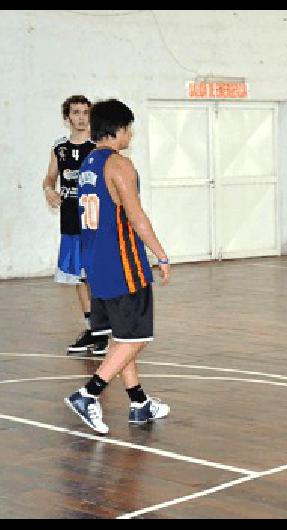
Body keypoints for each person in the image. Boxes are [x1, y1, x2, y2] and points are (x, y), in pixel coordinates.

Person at [64, 99, 172, 435]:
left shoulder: (87, 164)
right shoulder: (119, 165)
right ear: (118, 128)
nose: (131, 134)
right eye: (129, 128)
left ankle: (139, 403)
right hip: (124, 265)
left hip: (96, 263)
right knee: (136, 338)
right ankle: (88, 394)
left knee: (121, 337)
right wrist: (161, 255)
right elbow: (136, 217)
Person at [42, 95, 107, 354]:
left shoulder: (98, 146)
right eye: (76, 112)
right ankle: (93, 328)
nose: (81, 117)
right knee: (79, 276)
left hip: (94, 220)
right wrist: (48, 189)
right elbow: (49, 176)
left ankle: (103, 329)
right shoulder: (60, 147)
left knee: (96, 274)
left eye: (85, 112)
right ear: (67, 117)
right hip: (70, 219)